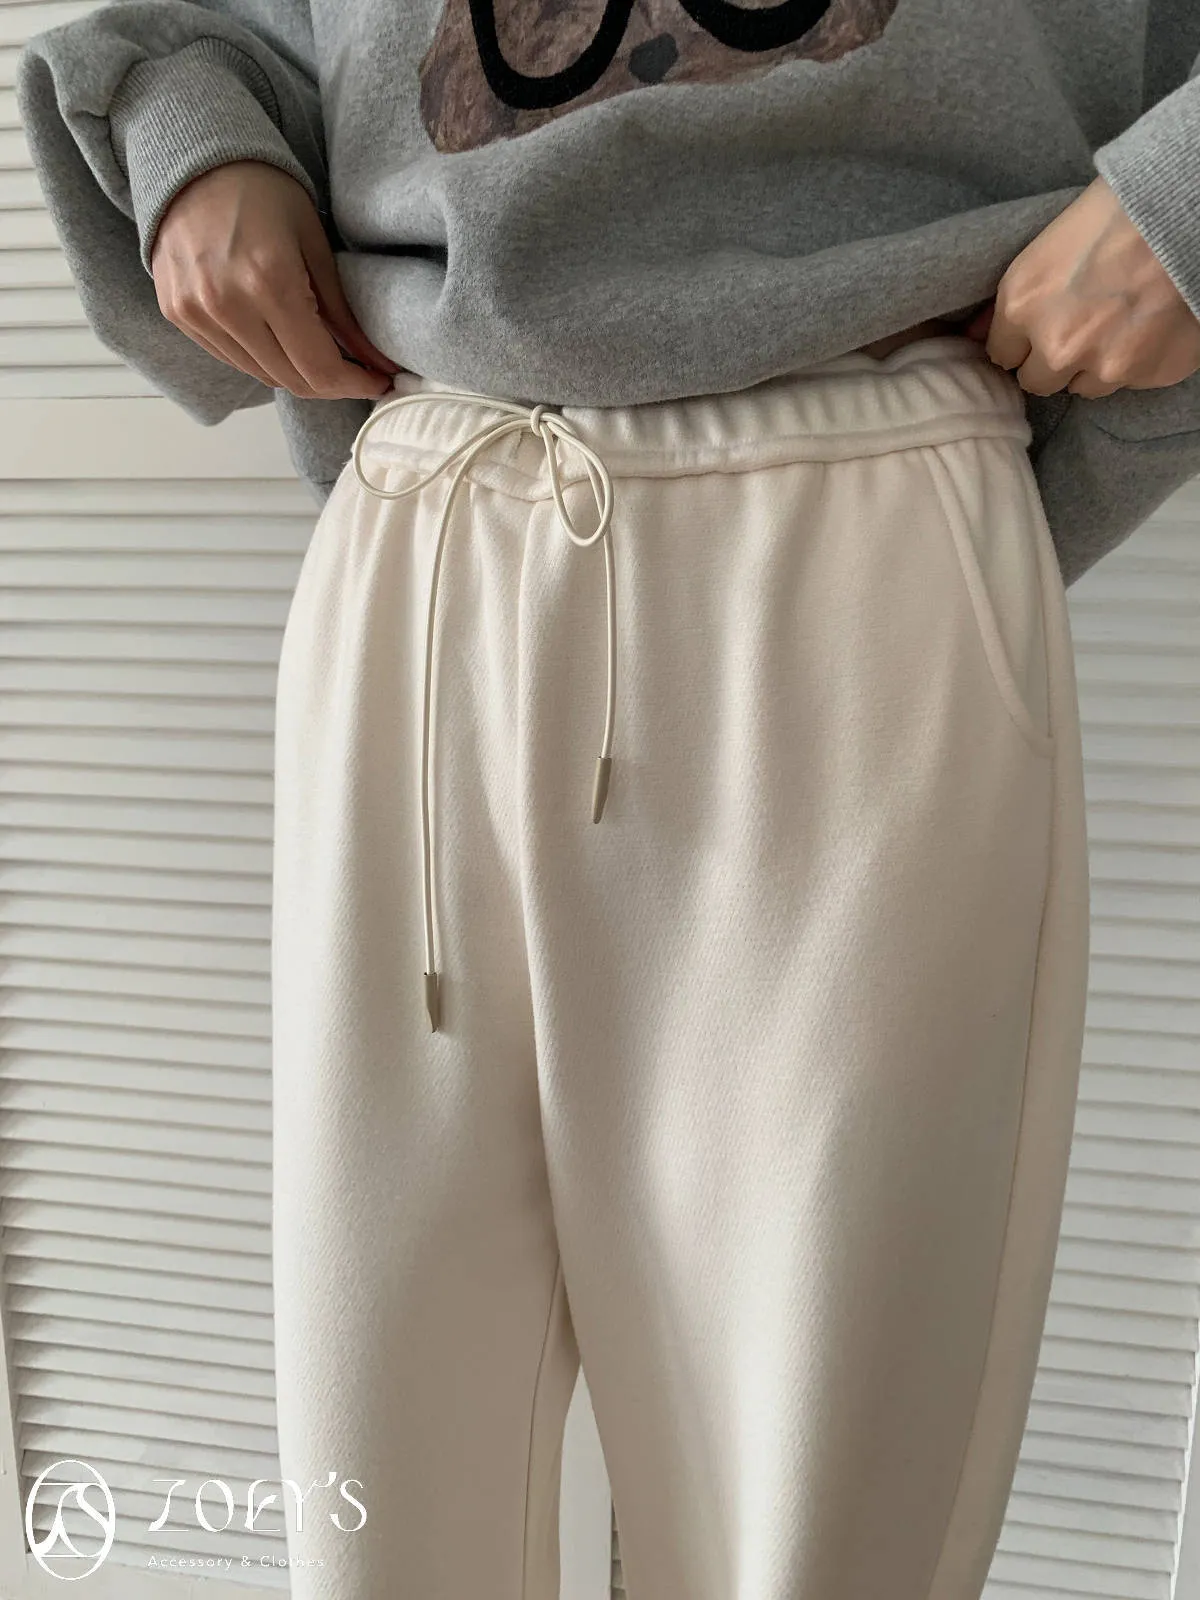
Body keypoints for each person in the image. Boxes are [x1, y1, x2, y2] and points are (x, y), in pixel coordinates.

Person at [15, 3, 1200, 1598]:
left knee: (816, 1522)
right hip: (429, 532)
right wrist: (196, 136)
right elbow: (228, 32)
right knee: (384, 1504)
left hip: (863, 538)